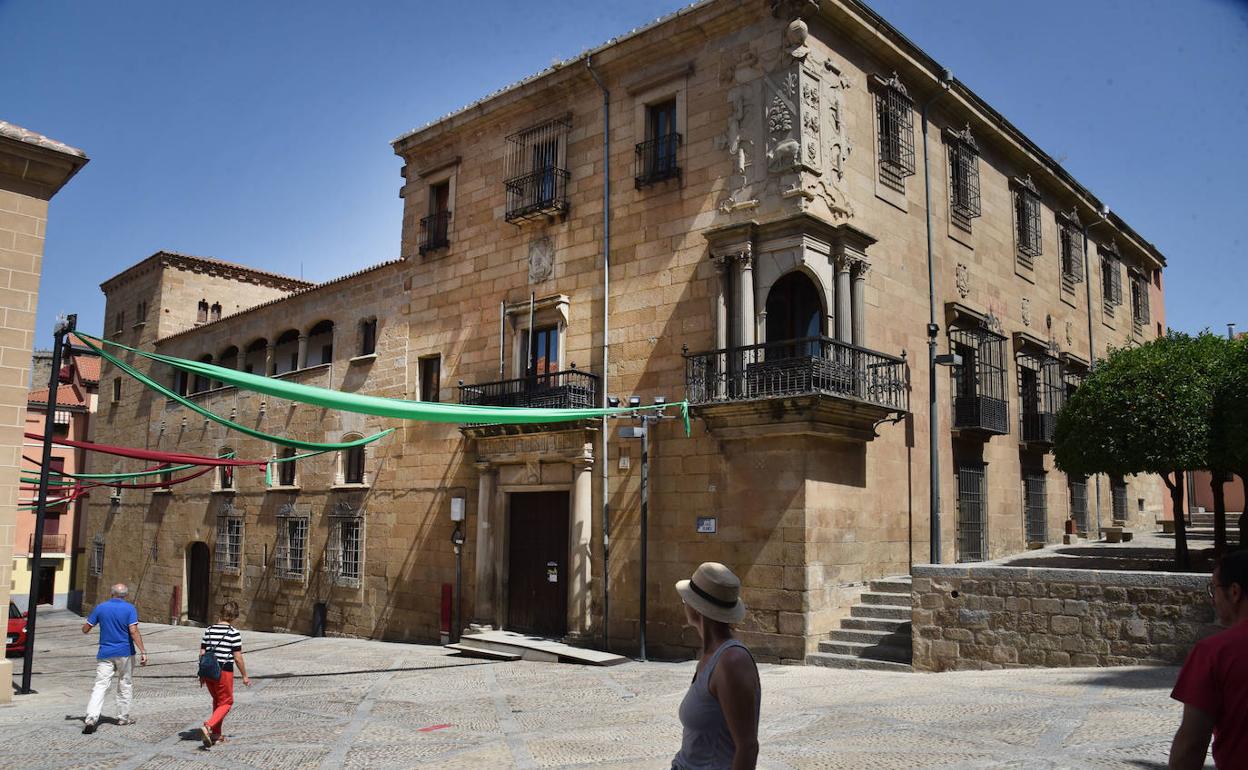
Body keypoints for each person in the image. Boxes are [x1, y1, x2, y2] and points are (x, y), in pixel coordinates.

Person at [672, 562, 760, 770]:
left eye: (685, 599)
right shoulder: (710, 656)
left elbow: (747, 747)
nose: (684, 604)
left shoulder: (732, 661)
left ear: (697, 608)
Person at [1169, 549, 1248, 769]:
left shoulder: (1214, 652)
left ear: (1234, 592)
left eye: (1214, 589)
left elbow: (1191, 745)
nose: (1213, 600)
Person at [81, 583, 148, 734]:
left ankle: (91, 718)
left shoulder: (101, 607)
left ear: (111, 593)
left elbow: (86, 628)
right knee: (125, 683)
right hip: (125, 652)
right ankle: (123, 717)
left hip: (105, 652)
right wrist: (143, 651)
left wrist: (86, 627)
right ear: (125, 595)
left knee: (100, 685)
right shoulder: (130, 608)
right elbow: (133, 631)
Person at [197, 599, 251, 747]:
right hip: (223, 671)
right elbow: (237, 658)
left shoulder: (208, 630)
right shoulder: (233, 633)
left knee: (218, 701)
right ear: (234, 616)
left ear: (221, 613)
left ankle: (216, 734)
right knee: (227, 702)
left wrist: (201, 674)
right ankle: (208, 726)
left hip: (208, 672)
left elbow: (202, 653)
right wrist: (244, 676)